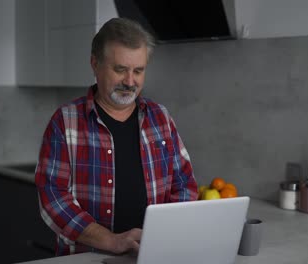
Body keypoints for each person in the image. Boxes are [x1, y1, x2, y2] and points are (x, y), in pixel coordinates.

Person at [35, 17, 198, 256]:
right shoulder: (65, 121)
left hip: (153, 255)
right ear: (95, 64)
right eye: (120, 69)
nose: (130, 81)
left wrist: (164, 236)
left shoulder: (160, 117)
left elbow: (184, 183)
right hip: (88, 257)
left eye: (138, 71)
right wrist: (110, 241)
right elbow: (52, 197)